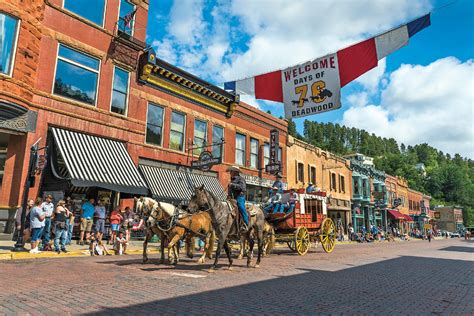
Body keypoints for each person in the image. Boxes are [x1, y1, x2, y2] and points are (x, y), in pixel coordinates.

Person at [227, 166, 248, 230]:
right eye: (230, 171)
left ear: (235, 172)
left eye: (231, 171)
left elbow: (242, 187)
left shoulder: (240, 179)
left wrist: (232, 185)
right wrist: (229, 195)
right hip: (232, 197)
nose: (230, 172)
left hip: (240, 196)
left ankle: (245, 223)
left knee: (241, 206)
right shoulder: (232, 179)